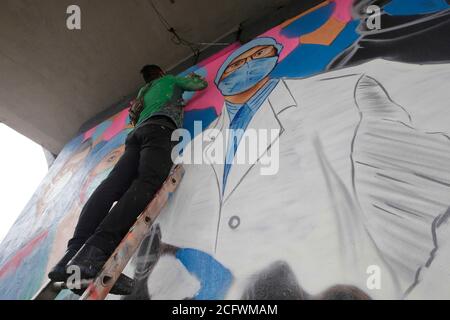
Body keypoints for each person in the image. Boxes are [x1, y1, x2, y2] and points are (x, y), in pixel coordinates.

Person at [48, 64, 207, 295]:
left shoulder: (142, 93)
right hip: (160, 127)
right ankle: (94, 253)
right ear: (161, 73)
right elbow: (199, 84)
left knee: (111, 186)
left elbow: (133, 117)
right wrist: (191, 79)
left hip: (136, 134)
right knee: (149, 181)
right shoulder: (170, 80)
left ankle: (71, 257)